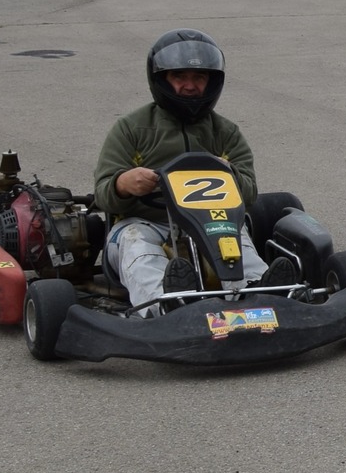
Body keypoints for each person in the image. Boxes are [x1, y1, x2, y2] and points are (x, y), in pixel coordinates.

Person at [94, 29, 293, 312]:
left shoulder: (225, 133)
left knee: (236, 240)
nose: (190, 86)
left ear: (212, 82)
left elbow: (249, 194)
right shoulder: (131, 129)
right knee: (136, 244)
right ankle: (167, 306)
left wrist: (231, 174)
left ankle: (261, 295)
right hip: (146, 223)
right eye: (180, 77)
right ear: (161, 80)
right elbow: (102, 195)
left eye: (198, 78)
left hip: (214, 221)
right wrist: (122, 184)